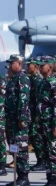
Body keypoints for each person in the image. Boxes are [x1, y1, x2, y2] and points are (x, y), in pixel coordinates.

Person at [5, 54, 30, 186]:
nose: (9, 65)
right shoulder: (13, 79)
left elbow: (24, 100)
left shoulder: (22, 78)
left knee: (21, 148)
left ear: (19, 64)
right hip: (12, 120)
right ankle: (18, 177)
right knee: (14, 148)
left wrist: (22, 118)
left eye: (12, 63)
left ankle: (24, 178)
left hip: (20, 120)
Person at [36, 56, 56, 185]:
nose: (39, 67)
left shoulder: (53, 83)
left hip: (51, 123)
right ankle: (49, 176)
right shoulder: (42, 82)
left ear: (49, 66)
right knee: (46, 151)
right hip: (43, 123)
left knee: (53, 151)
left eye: (42, 65)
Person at [26, 57, 46, 171]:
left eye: (30, 65)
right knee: (33, 137)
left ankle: (42, 161)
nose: (28, 67)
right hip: (31, 113)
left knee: (37, 137)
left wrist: (38, 116)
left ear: (36, 66)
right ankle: (40, 160)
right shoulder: (31, 79)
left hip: (37, 114)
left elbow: (38, 99)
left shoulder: (38, 80)